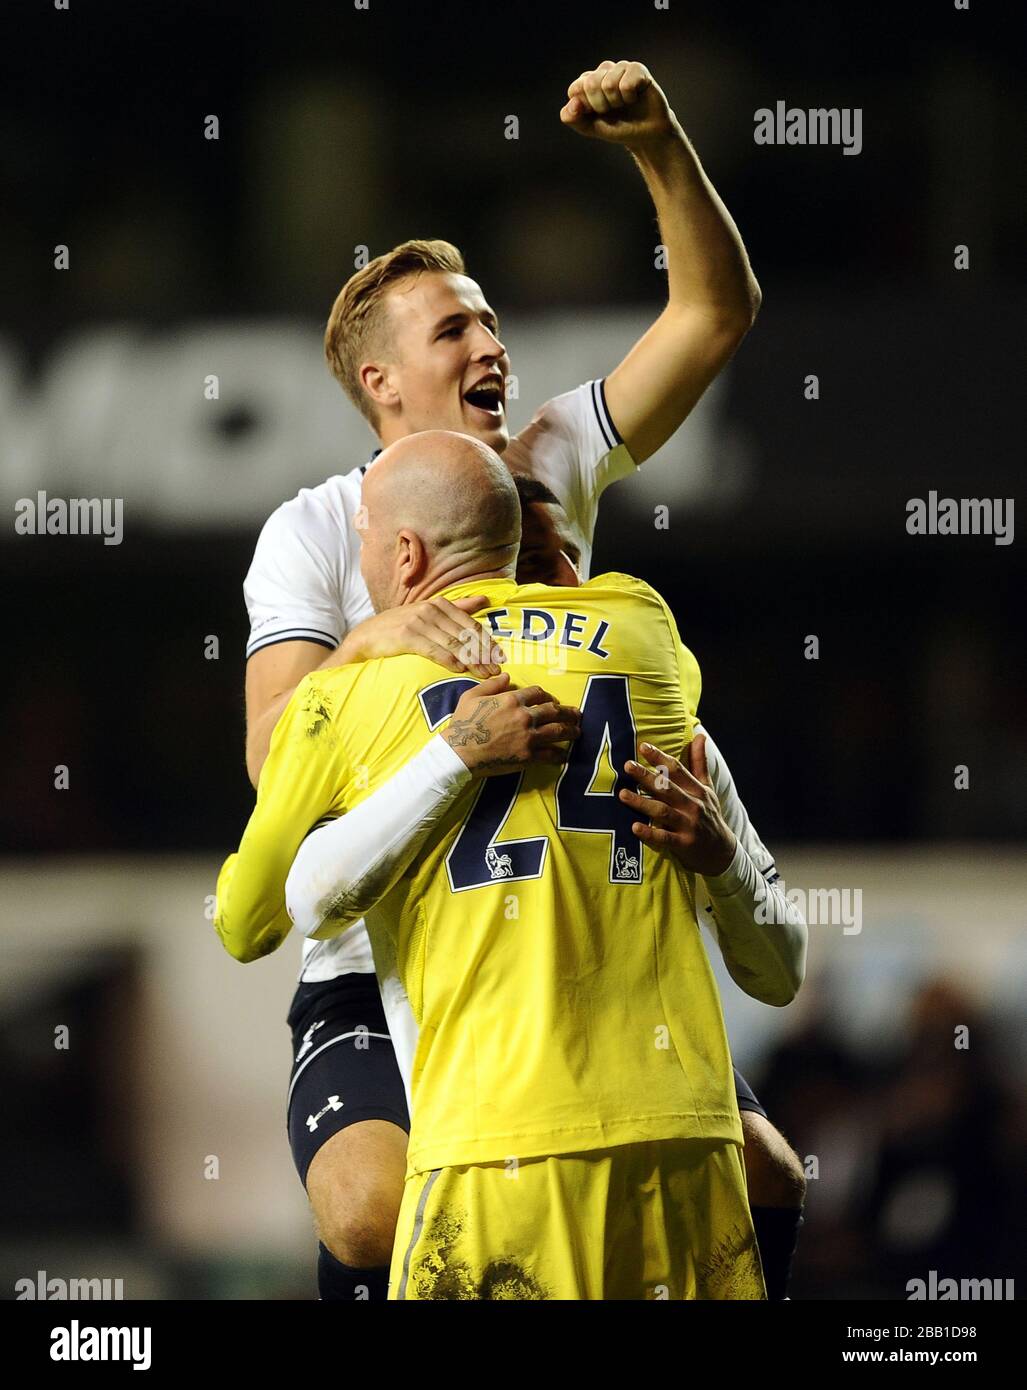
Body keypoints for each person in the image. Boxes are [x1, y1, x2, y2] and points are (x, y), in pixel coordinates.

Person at [241, 59, 765, 1301]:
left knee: (774, 1176)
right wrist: (382, 636)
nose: (493, 342)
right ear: (382, 385)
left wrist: (657, 147)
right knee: (372, 1214)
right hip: (398, 948)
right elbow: (274, 759)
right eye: (455, 328)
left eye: (488, 318)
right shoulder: (318, 531)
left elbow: (716, 311)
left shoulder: (550, 461)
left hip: (576, 938)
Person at [216, 432, 807, 1298]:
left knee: (367, 1214)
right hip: (679, 1140)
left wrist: (393, 703)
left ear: (405, 556)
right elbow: (781, 970)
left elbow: (258, 914)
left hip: (492, 1153)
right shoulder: (648, 645)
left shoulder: (347, 702)